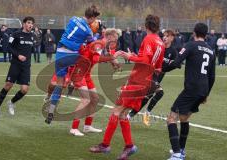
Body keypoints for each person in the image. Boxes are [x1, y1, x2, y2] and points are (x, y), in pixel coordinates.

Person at [89, 15, 165, 160]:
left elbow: (145, 60)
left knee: (116, 110)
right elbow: (158, 68)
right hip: (146, 81)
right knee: (123, 114)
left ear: (145, 25)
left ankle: (105, 145)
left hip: (138, 81)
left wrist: (128, 56)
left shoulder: (148, 39)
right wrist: (138, 58)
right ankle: (129, 146)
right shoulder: (160, 42)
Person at [162, 23, 215, 160]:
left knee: (171, 119)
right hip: (203, 90)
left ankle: (177, 154)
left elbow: (176, 62)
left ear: (194, 32)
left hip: (191, 89)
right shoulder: (211, 50)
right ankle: (182, 150)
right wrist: (206, 94)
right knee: (184, 118)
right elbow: (212, 76)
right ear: (206, 34)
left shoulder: (191, 45)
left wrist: (162, 69)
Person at [45, 5, 100, 124]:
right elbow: (92, 43)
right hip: (72, 56)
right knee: (83, 64)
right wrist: (95, 36)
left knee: (59, 85)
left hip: (60, 53)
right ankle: (73, 84)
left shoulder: (73, 18)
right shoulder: (89, 31)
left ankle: (51, 110)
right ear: (91, 18)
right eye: (94, 19)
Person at [127, 29, 178, 126]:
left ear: (172, 38)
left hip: (157, 78)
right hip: (149, 75)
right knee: (160, 93)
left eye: (167, 36)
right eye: (164, 36)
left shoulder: (173, 52)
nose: (165, 38)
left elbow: (174, 65)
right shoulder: (159, 47)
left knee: (146, 98)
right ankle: (147, 112)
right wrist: (136, 56)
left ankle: (129, 116)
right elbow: (147, 58)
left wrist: (168, 67)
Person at [0, 17, 35, 118]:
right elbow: (8, 47)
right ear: (24, 24)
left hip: (26, 66)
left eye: (32, 24)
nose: (30, 25)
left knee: (24, 90)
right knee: (8, 85)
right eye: (29, 23)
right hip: (15, 64)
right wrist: (18, 55)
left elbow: (29, 50)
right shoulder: (16, 34)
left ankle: (11, 102)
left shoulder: (32, 36)